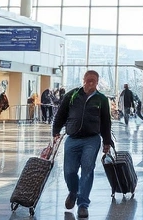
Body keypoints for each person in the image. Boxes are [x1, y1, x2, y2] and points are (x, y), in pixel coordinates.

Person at [52, 70, 114, 219]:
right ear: (83, 80)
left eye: (93, 81)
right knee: (69, 171)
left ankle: (83, 204)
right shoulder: (72, 95)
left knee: (87, 168)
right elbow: (61, 114)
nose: (90, 83)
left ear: (97, 82)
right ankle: (73, 192)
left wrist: (107, 141)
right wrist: (55, 131)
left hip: (91, 140)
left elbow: (106, 122)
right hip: (72, 139)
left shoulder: (102, 99)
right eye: (88, 80)